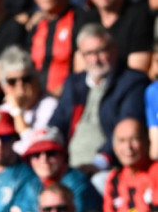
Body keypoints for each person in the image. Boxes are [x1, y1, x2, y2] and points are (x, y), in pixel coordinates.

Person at [49, 23, 149, 175]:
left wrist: (98, 163)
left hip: (109, 168)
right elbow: (57, 123)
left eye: (101, 51)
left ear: (114, 49)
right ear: (81, 56)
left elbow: (127, 130)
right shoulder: (74, 83)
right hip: (68, 166)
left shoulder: (132, 82)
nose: (95, 59)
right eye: (89, 53)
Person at [0, 46, 59, 154]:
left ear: (36, 79)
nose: (20, 86)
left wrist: (17, 111)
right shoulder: (1, 111)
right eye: (12, 81)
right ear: (4, 86)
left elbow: (36, 147)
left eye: (25, 79)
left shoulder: (50, 106)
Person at [103, 118, 156, 212]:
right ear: (114, 147)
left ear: (147, 142)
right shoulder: (113, 179)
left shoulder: (155, 171)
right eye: (122, 140)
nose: (128, 147)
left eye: (134, 139)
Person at [29, 0, 81, 98]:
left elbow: (81, 73)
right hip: (36, 100)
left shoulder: (79, 19)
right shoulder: (36, 25)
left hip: (68, 98)